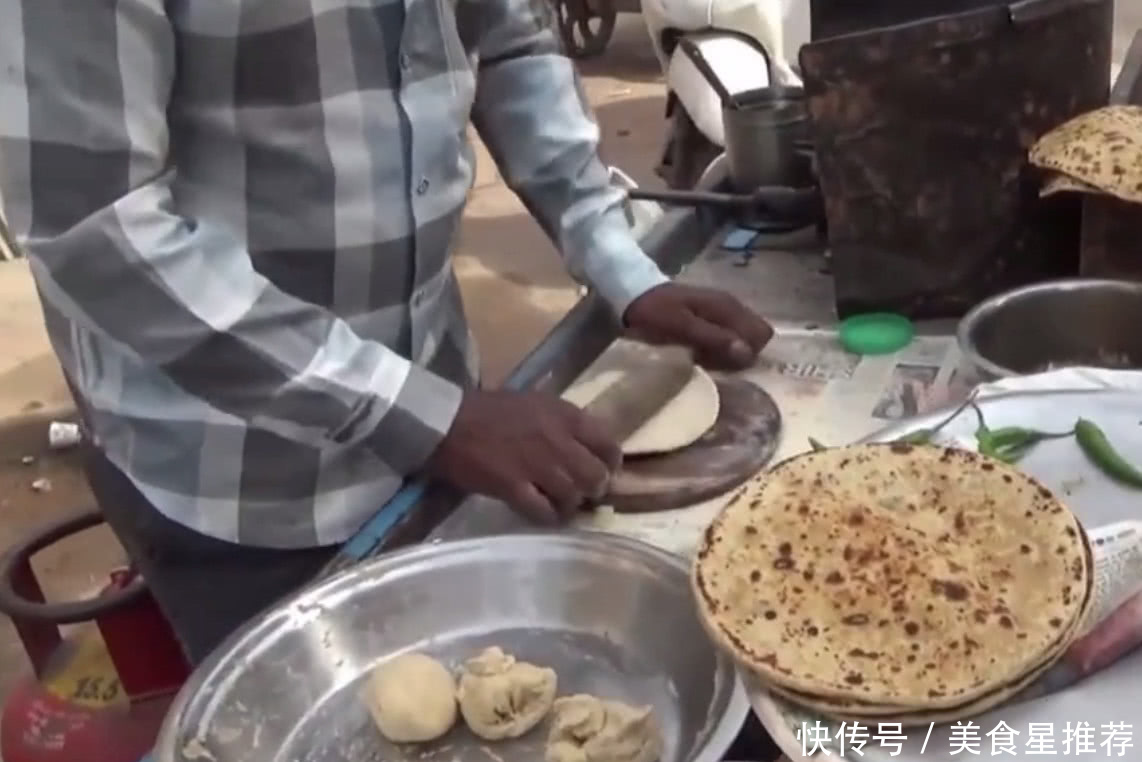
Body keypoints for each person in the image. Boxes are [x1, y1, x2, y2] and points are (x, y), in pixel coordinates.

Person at [0, 0, 773, 663]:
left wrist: (621, 263)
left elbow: (507, 42)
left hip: (439, 405)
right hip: (241, 478)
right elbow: (94, 224)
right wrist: (420, 416)